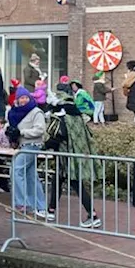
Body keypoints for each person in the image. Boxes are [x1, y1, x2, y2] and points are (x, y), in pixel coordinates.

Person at [43, 97, 101, 227]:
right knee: (57, 181)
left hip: (65, 157)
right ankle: (51, 211)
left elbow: (55, 137)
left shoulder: (61, 120)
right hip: (76, 155)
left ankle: (93, 215)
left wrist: (44, 146)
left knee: (76, 185)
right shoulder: (79, 118)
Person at [7, 87, 48, 218]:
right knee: (31, 176)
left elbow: (40, 130)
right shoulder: (14, 113)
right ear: (17, 100)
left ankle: (21, 203)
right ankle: (39, 206)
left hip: (32, 145)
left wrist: (22, 132)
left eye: (25, 97)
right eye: (21, 98)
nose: (23, 100)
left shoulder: (36, 112)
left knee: (16, 170)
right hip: (23, 145)